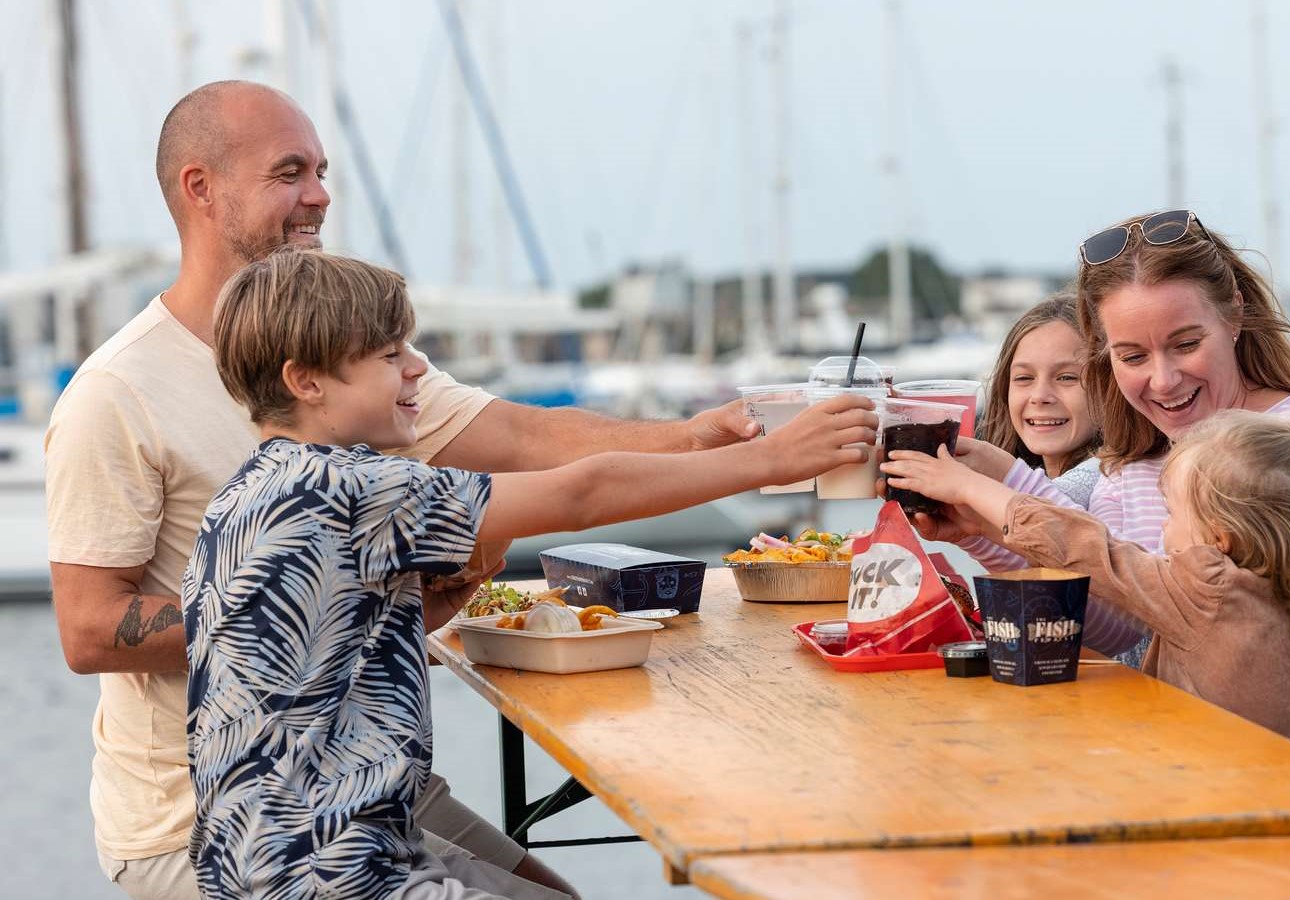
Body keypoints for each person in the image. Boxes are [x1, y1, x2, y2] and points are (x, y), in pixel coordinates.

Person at [43, 80, 762, 900]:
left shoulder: (349, 358)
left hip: (368, 779)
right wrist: (319, 597)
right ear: (200, 188)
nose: (319, 195)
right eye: (290, 172)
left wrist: (703, 435)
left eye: (321, 169)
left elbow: (526, 438)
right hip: (209, 823)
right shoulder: (118, 392)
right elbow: (88, 630)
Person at [184, 248, 874, 899]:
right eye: (391, 355)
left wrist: (425, 610)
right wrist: (773, 461)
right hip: (330, 867)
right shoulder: (351, 487)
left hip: (249, 855)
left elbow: (314, 655)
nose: (419, 368)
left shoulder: (242, 498)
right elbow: (582, 494)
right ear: (305, 380)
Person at [915, 210, 1290, 789]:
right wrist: (982, 532)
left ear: (1234, 313)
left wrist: (1005, 488)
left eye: (1185, 344)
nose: (1162, 380)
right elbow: (1120, 623)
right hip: (1194, 773)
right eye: (1132, 357)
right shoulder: (1129, 463)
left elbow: (1190, 591)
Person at [885, 409, 1290, 746]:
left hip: (1218, 805)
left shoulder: (1212, 591)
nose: (1164, 529)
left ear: (1220, 537)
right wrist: (981, 526)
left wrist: (970, 487)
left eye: (1174, 513)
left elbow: (1095, 553)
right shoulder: (1270, 590)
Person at [974, 292, 1100, 507]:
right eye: (1024, 378)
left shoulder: (1111, 479)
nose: (1040, 396)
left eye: (1066, 377)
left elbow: (1053, 514)